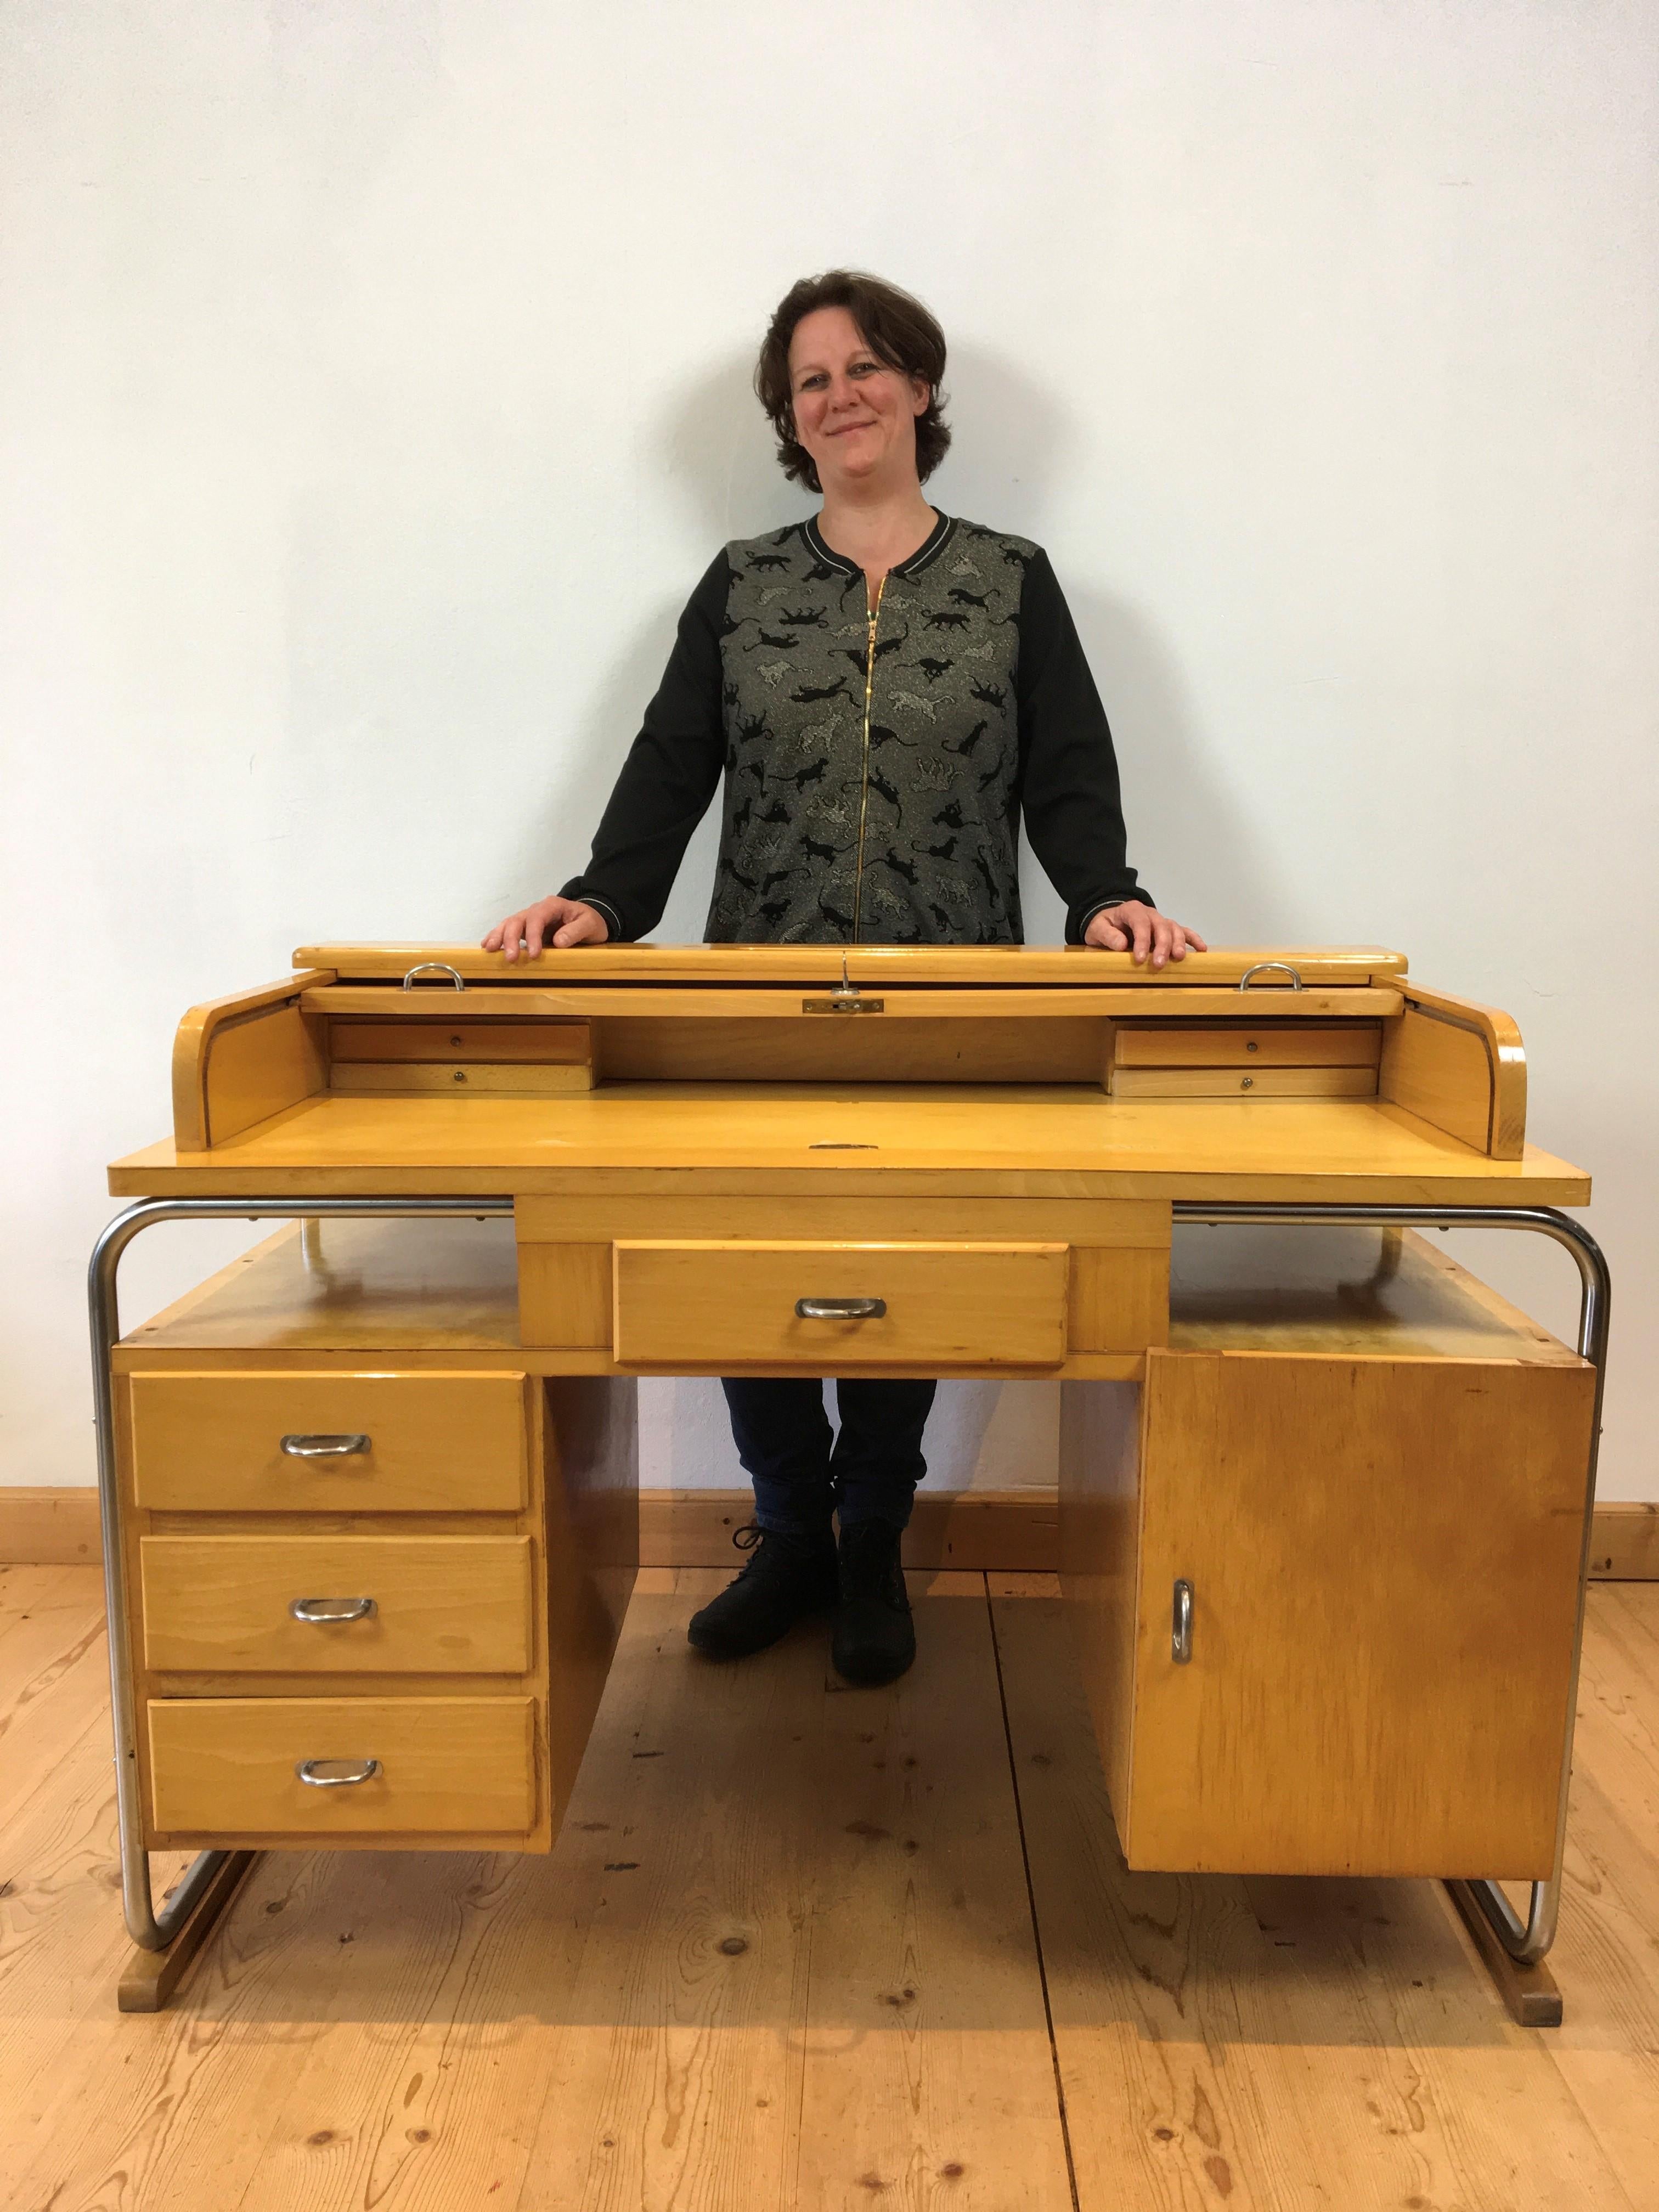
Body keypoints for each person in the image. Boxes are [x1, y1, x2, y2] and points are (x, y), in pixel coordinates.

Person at [486, 270, 1205, 1687]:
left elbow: (1066, 773)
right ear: (790, 421)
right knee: (758, 1263)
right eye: (813, 380)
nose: (843, 393)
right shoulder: (745, 586)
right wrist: (599, 901)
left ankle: (871, 1534)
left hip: (949, 1010)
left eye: (868, 366)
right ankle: (787, 1529)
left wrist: (1110, 899)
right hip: (759, 997)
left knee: (896, 1269)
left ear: (921, 389)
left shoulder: (1011, 581)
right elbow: (671, 767)